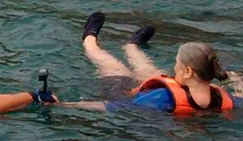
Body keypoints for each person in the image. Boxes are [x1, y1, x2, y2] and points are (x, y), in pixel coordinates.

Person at [64, 12, 241, 114]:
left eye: (177, 64)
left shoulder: (161, 99)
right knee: (153, 74)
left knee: (114, 66)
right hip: (157, 89)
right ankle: (131, 46)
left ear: (187, 71)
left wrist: (63, 105)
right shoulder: (224, 100)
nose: (175, 68)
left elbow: (113, 106)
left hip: (125, 90)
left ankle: (89, 39)